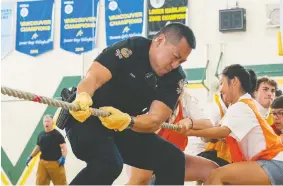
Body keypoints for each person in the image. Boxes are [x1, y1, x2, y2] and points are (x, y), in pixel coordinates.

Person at [63, 22, 196, 185]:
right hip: (87, 117)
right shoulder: (131, 49)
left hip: (123, 124)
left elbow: (155, 119)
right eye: (175, 57)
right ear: (159, 40)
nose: (175, 65)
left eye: (181, 61)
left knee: (172, 158)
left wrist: (128, 121)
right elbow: (93, 78)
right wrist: (82, 96)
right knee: (109, 163)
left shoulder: (175, 78)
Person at [186, 64, 283, 185]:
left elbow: (222, 131)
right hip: (270, 164)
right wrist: (191, 127)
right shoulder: (241, 105)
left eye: (222, 83)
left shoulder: (242, 105)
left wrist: (189, 131)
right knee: (227, 179)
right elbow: (217, 133)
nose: (221, 89)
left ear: (234, 81)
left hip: (272, 164)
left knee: (216, 174)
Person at [27, 115, 67, 185]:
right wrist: (31, 156)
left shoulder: (57, 135)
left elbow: (64, 147)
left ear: (52, 122)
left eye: (48, 121)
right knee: (40, 183)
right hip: (43, 163)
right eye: (45, 121)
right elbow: (38, 147)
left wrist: (63, 157)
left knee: (60, 184)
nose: (46, 123)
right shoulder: (41, 135)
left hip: (55, 163)